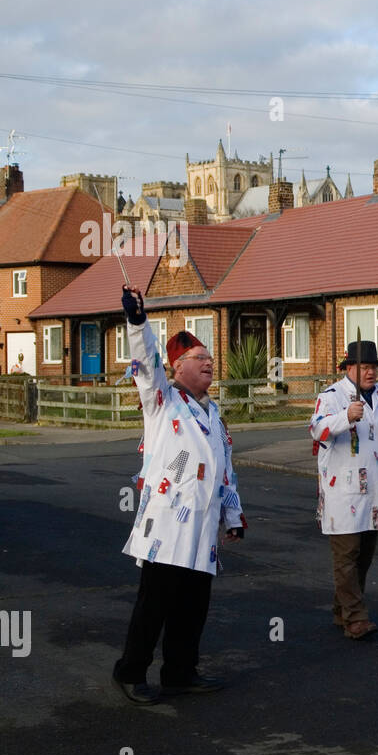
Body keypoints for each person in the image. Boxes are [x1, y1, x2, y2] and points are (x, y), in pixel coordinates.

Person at [112, 286, 245, 705]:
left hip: (202, 530)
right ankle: (130, 673)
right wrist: (138, 321)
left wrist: (234, 516)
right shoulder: (162, 401)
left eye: (209, 358)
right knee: (153, 607)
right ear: (177, 367)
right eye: (199, 359)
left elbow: (225, 470)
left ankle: (180, 673)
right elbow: (146, 362)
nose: (209, 363)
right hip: (166, 528)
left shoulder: (214, 411)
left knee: (192, 609)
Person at [309, 340, 378, 640]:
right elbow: (317, 430)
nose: (370, 372)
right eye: (364, 366)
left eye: (374, 366)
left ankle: (342, 610)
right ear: (349, 368)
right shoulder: (332, 396)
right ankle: (356, 618)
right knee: (346, 555)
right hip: (343, 492)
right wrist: (345, 416)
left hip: (375, 491)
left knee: (364, 556)